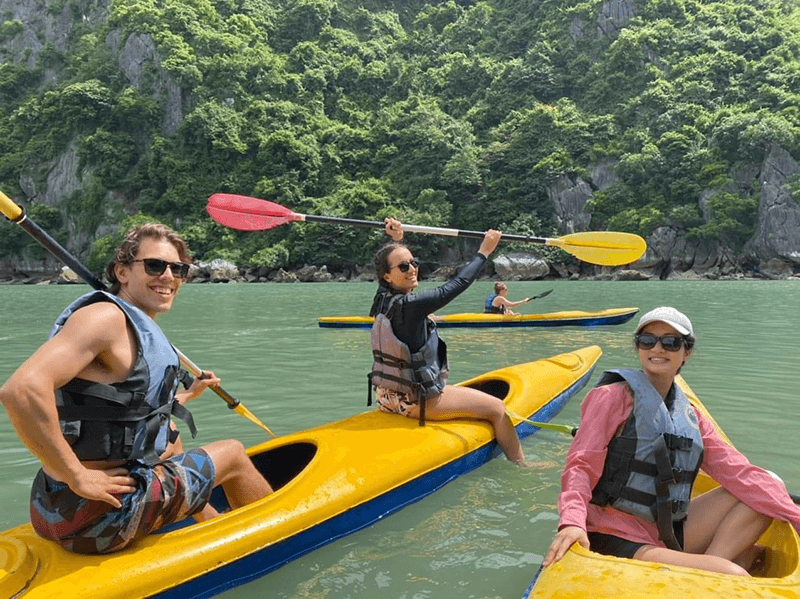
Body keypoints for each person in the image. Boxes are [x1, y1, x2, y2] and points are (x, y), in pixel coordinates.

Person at [0, 223, 273, 554]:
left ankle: (212, 528)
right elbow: (21, 390)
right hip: (102, 516)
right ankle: (274, 543)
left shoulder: (130, 325)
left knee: (170, 441)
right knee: (232, 452)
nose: (168, 276)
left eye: (178, 269)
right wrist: (77, 476)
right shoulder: (105, 318)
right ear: (122, 271)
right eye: (155, 265)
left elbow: (130, 409)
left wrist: (188, 394)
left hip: (56, 511)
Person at [542, 306, 800, 575]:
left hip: (665, 530)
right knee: (734, 574)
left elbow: (738, 471)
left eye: (670, 342)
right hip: (614, 532)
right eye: (647, 340)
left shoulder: (692, 416)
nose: (657, 348)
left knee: (768, 484)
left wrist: (795, 518)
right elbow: (580, 465)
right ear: (639, 347)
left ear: (686, 352)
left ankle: (708, 569)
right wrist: (572, 522)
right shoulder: (611, 397)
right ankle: (720, 569)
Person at [368, 217, 526, 463]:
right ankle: (522, 466)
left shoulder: (381, 300)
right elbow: (456, 285)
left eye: (413, 263)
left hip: (387, 399)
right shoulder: (411, 306)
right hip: (419, 403)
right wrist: (484, 252)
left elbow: (385, 263)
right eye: (403, 267)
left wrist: (396, 240)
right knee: (497, 409)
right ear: (387, 277)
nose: (411, 269)